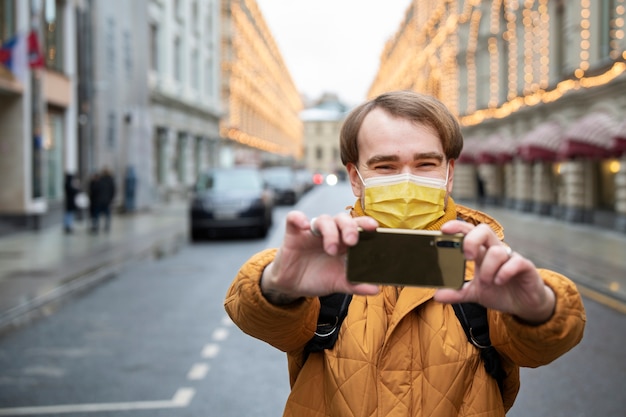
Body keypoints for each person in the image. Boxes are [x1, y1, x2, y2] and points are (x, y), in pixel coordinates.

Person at [224, 91, 586, 417]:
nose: (408, 180)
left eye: (426, 163)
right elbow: (259, 319)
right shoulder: (326, 256)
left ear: (448, 173)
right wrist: (276, 285)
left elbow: (538, 349)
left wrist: (540, 308)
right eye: (386, 166)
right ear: (355, 177)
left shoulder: (485, 261)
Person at [98, 167, 116, 231]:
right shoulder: (110, 180)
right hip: (107, 200)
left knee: (99, 214)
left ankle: (98, 226)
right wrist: (111, 199)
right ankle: (107, 226)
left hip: (101, 200)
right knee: (107, 214)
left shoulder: (101, 180)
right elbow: (113, 191)